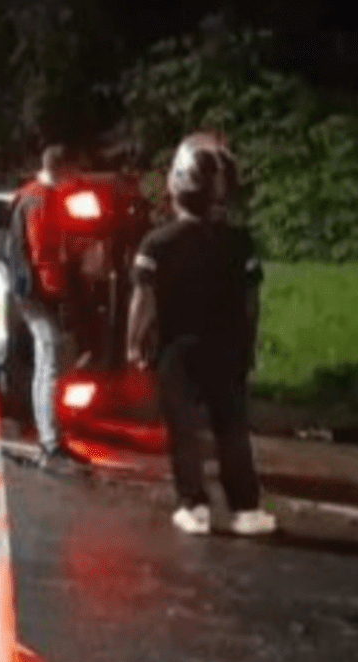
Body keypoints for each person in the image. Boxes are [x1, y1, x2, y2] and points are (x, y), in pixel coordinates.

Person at [125, 130, 277, 536]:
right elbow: (251, 301)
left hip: (177, 350)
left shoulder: (157, 244)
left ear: (177, 186)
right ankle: (245, 508)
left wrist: (134, 343)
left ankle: (194, 506)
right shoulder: (239, 243)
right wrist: (249, 343)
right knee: (232, 428)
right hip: (227, 348)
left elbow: (144, 300)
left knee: (184, 429)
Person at [8, 145, 84, 471]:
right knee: (50, 363)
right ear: (61, 168)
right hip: (38, 292)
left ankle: (50, 436)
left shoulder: (31, 194)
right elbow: (43, 256)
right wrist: (61, 297)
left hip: (29, 290)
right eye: (72, 173)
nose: (74, 180)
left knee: (48, 362)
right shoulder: (40, 199)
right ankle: (50, 442)